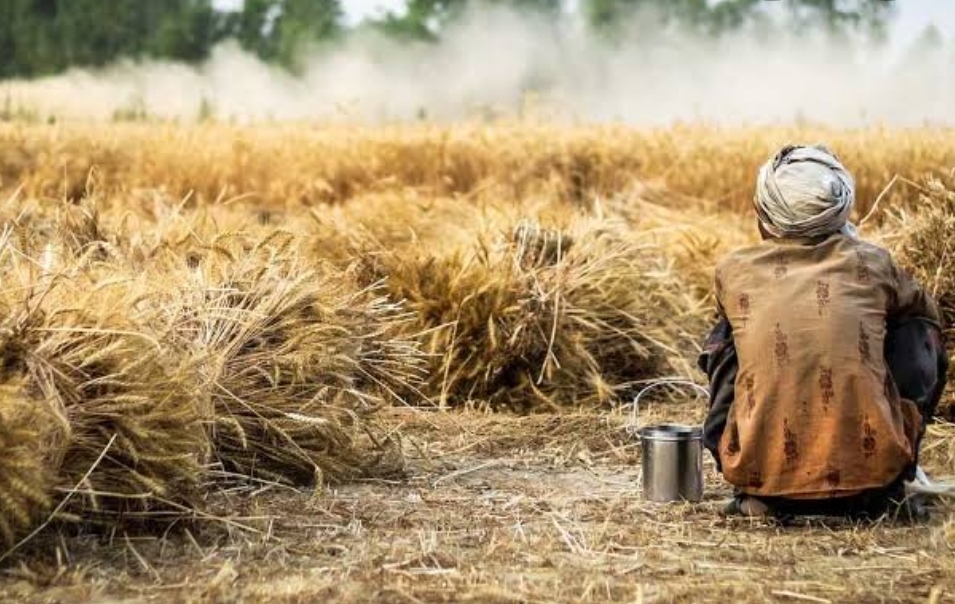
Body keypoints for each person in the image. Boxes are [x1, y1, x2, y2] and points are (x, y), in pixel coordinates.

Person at [699, 145, 949, 521]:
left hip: (762, 482)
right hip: (872, 488)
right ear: (840, 213)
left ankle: (755, 470)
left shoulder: (734, 271)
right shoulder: (874, 263)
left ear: (763, 215)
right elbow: (928, 320)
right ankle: (888, 463)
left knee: (728, 333)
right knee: (916, 325)